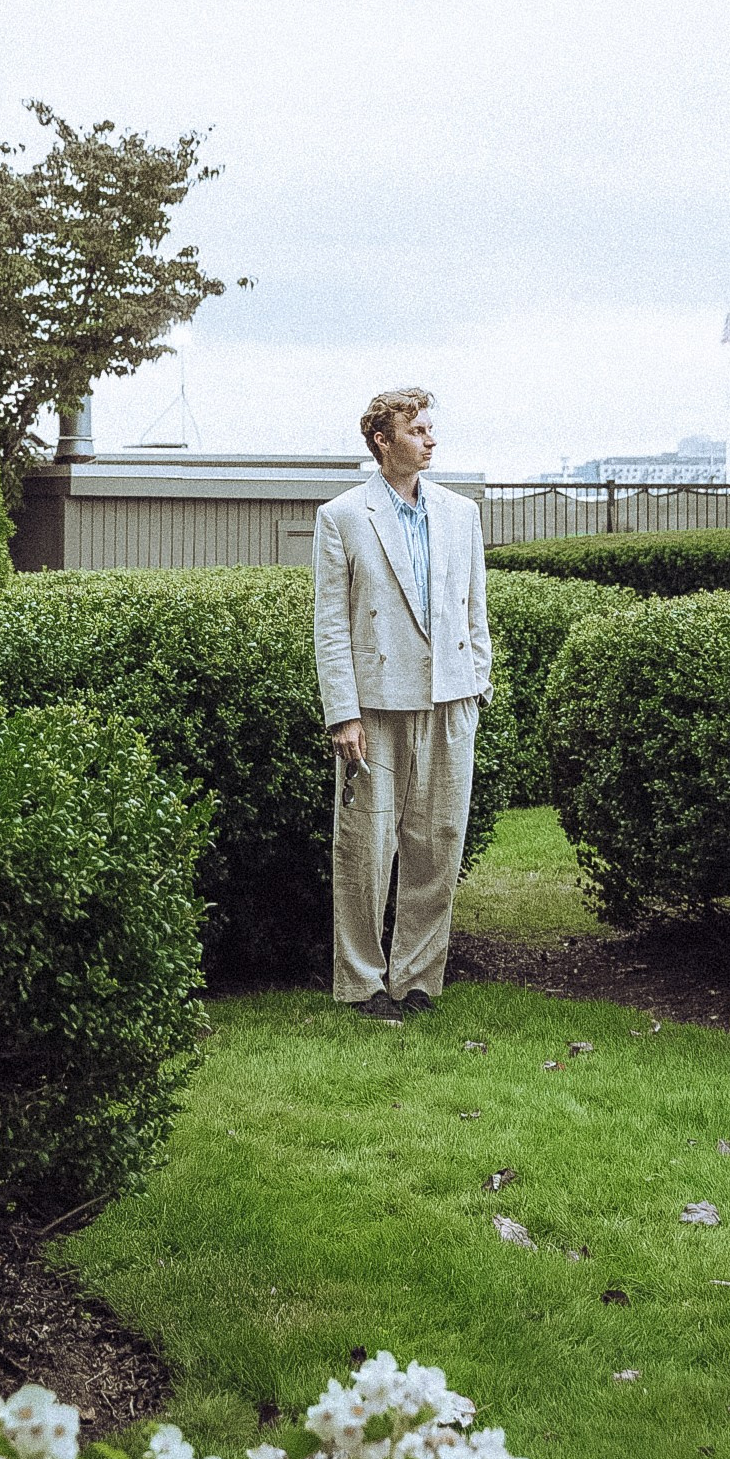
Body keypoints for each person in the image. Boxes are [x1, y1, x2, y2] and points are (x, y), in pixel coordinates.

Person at [312, 387, 491, 1022]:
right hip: (375, 710)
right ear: (382, 441)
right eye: (416, 430)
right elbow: (330, 625)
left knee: (438, 843)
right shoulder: (343, 517)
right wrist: (343, 713)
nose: (430, 439)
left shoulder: (459, 514)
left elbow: (474, 612)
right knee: (365, 847)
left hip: (450, 702)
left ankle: (417, 979)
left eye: (431, 428)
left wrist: (477, 686)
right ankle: (362, 983)